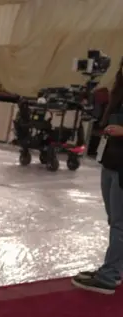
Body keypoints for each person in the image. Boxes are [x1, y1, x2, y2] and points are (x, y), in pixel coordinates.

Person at [72, 64, 123, 294]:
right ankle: (114, 268)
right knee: (115, 221)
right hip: (112, 159)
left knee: (120, 224)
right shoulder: (118, 90)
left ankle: (109, 276)